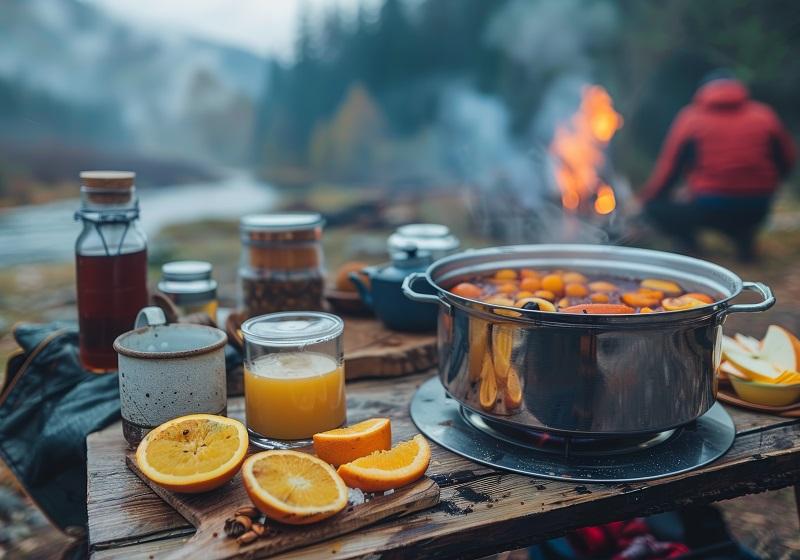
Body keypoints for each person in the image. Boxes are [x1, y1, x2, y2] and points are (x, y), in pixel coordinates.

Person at [639, 70, 795, 261]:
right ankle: (743, 238)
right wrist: (772, 187)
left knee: (655, 207)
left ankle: (690, 247)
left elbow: (669, 169)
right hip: (757, 206)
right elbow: (787, 158)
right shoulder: (764, 114)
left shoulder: (691, 118)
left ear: (703, 91)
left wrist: (649, 199)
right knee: (741, 208)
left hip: (711, 206)